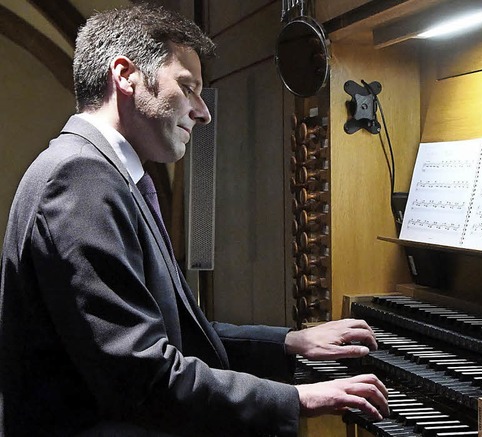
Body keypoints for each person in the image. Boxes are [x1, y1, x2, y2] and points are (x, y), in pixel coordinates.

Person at [0, 4, 388, 436]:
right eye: (187, 87)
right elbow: (141, 375)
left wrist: (287, 342)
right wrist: (297, 398)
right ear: (126, 76)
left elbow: (174, 331)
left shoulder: (101, 172)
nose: (203, 112)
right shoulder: (81, 179)